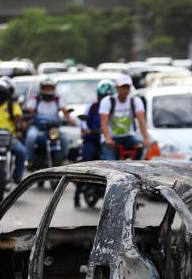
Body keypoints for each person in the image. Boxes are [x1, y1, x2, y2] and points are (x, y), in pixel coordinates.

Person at [74, 79, 116, 207]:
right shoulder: (92, 106)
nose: (105, 100)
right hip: (93, 139)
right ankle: (77, 193)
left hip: (110, 142)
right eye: (103, 97)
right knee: (86, 163)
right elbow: (84, 121)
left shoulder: (115, 107)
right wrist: (87, 130)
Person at [99, 74, 150, 160]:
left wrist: (146, 139)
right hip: (111, 137)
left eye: (127, 87)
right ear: (117, 88)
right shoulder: (108, 101)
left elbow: (141, 120)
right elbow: (104, 123)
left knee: (141, 151)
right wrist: (108, 139)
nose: (125, 90)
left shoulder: (135, 101)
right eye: (123, 87)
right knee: (110, 162)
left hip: (128, 137)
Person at [25, 77, 73, 161]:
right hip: (38, 127)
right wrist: (28, 116)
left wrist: (70, 120)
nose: (48, 90)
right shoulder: (35, 99)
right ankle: (29, 159)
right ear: (42, 88)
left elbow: (64, 111)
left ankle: (63, 159)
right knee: (31, 136)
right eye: (46, 88)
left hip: (53, 127)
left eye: (50, 88)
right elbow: (29, 110)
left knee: (65, 139)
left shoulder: (58, 99)